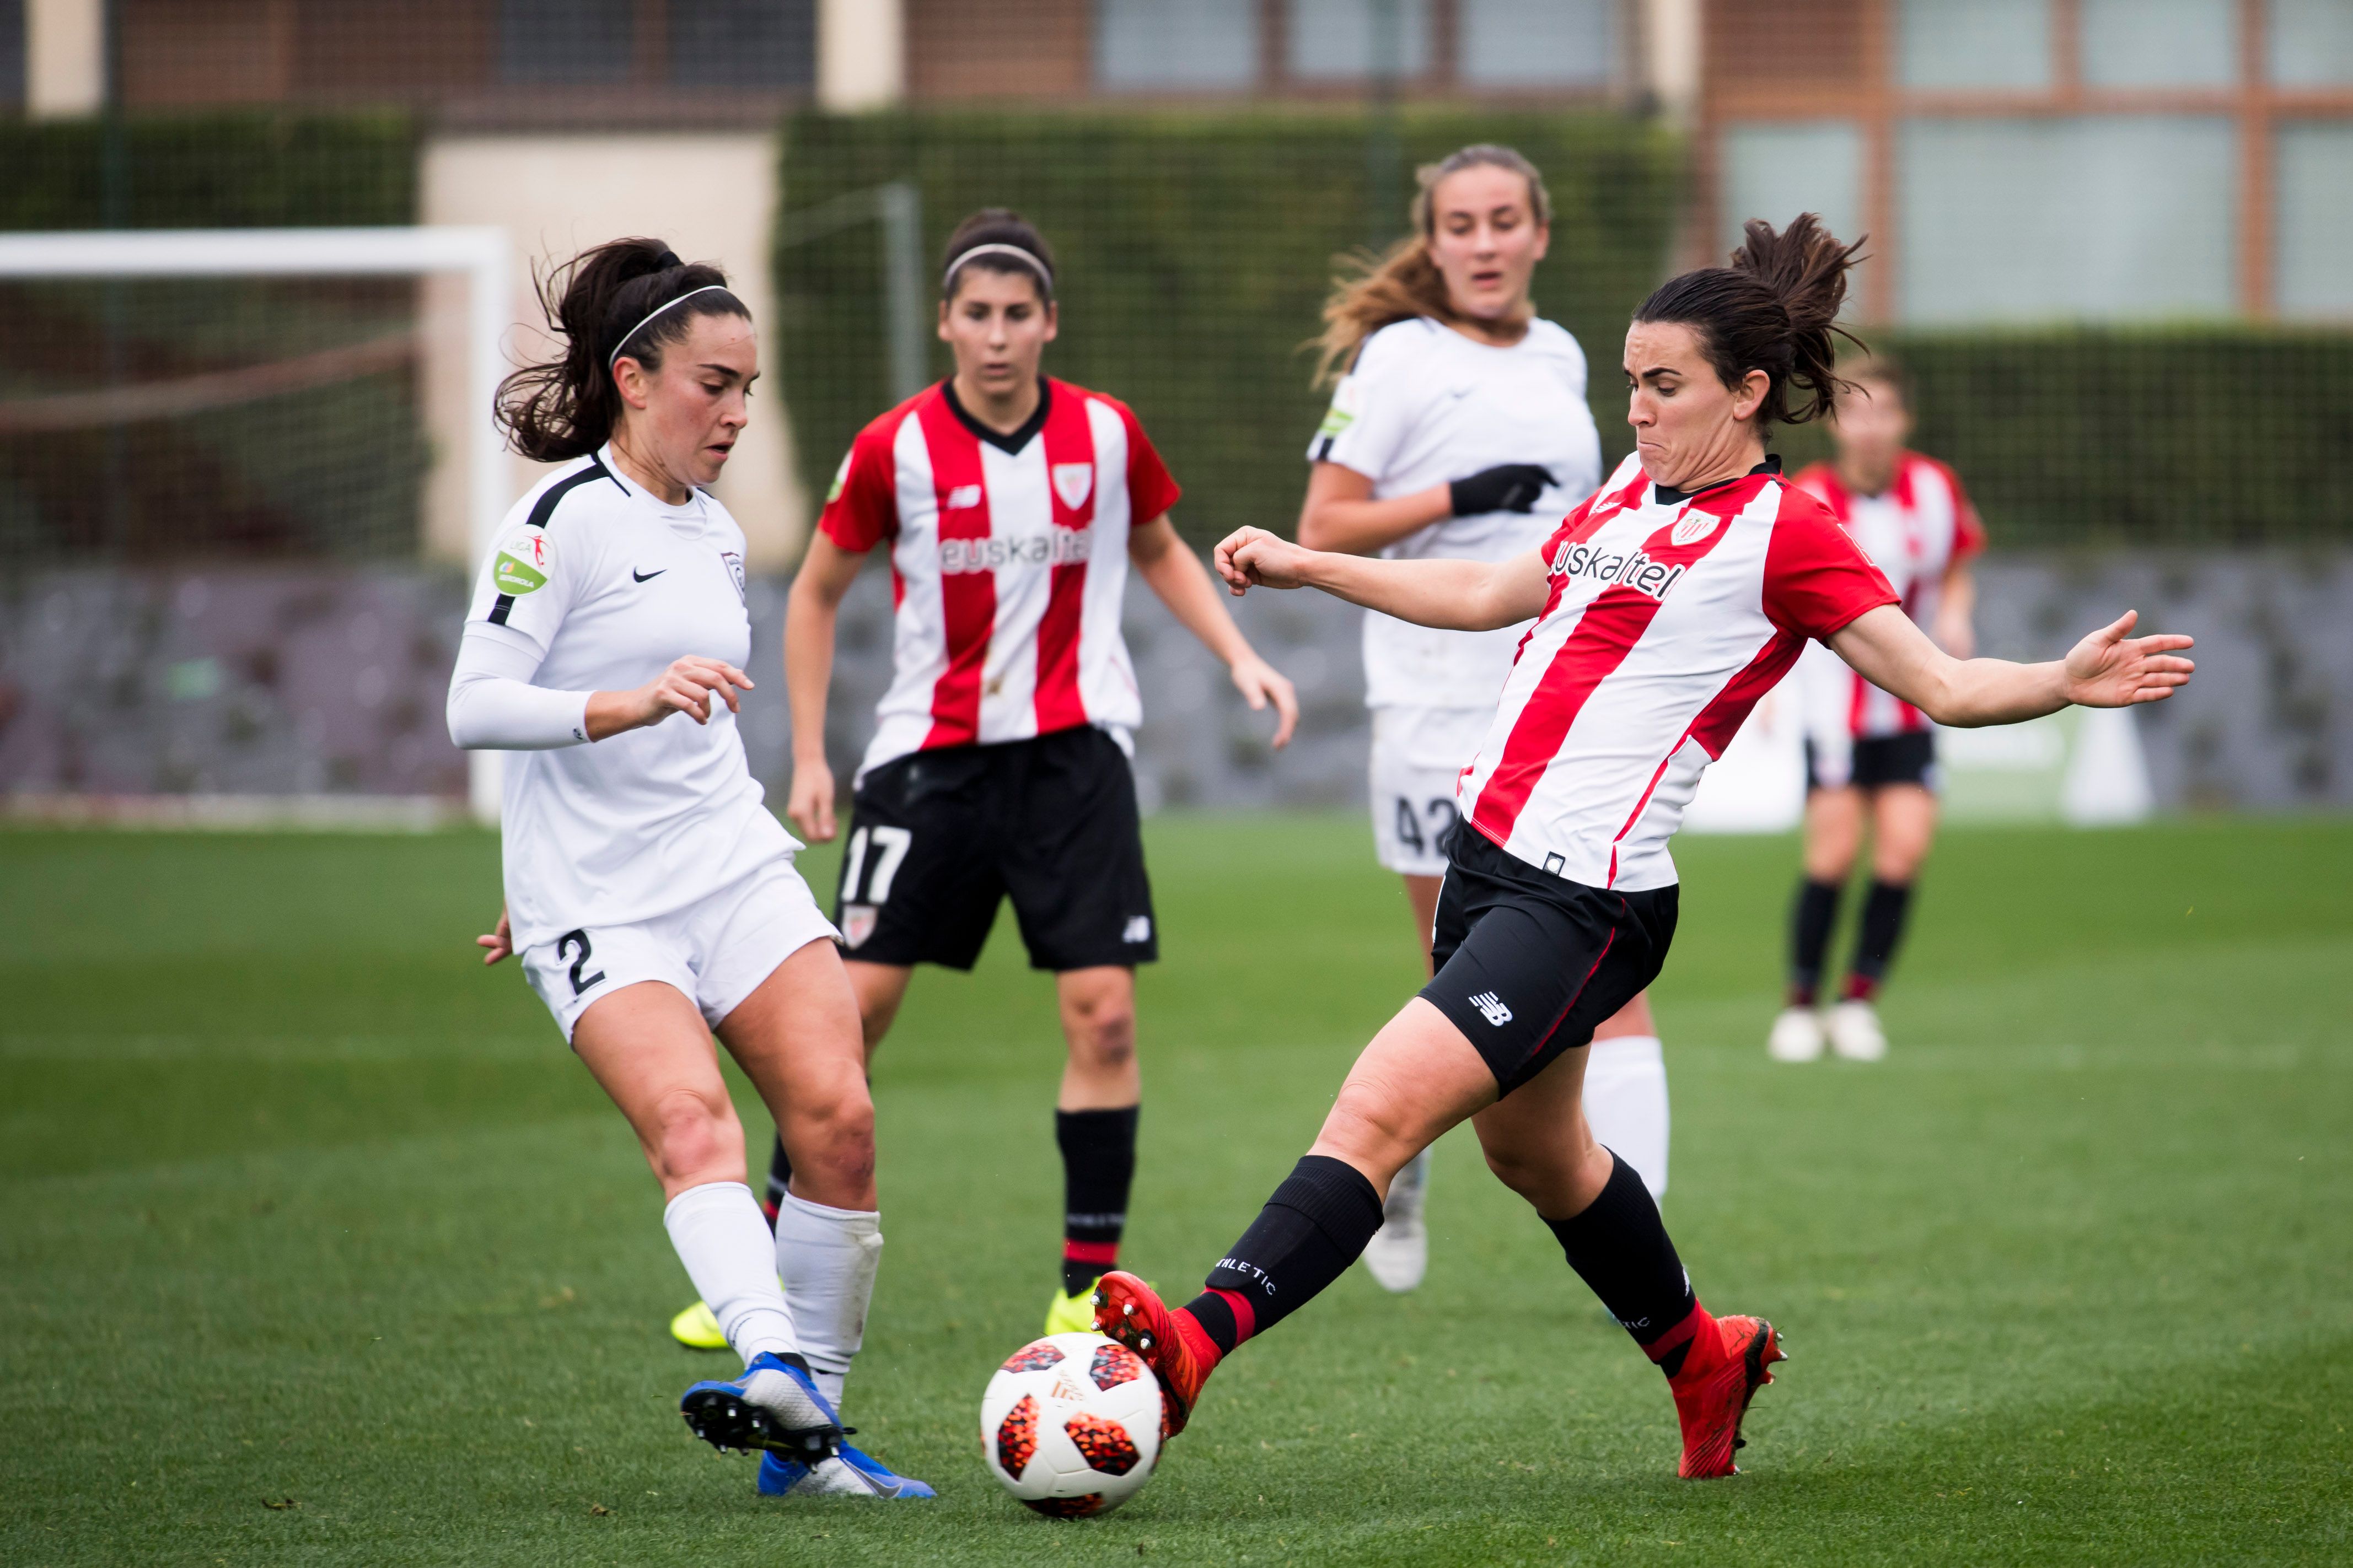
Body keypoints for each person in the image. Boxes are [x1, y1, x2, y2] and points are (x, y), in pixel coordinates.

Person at [1089, 214, 2193, 1481]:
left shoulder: (1785, 533)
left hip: (1583, 900)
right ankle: (1702, 1360)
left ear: (1747, 392)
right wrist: (1309, 564)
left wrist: (2059, 675)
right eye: (1627, 382)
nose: (1636, 409)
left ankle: (1186, 1346)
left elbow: (1936, 680)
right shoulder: (1626, 490)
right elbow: (1488, 591)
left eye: (1661, 385)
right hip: (1490, 866)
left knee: (1375, 1109)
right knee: (1534, 1154)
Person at [670, 208, 1298, 1349]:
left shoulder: (1107, 435)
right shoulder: (893, 449)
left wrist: (1241, 655)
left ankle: (1084, 1278)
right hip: (927, 767)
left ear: (1049, 323)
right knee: (844, 1017)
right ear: (946, 324)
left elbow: (1158, 546)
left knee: (1103, 1019)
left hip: (1074, 762)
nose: (998, 335)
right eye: (978, 314)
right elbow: (813, 595)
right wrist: (811, 756)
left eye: (1019, 314)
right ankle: (764, 1256)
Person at [449, 238, 930, 1499]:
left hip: (727, 859)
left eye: (747, 389)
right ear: (631, 376)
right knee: (689, 1122)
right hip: (600, 903)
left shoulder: (716, 533)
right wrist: (617, 715)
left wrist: (627, 739)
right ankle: (771, 1361)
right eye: (714, 384)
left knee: (840, 1120)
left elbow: (669, 731)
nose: (734, 411)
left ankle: (808, 1441)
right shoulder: (555, 521)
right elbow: (476, 706)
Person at [1297, 142, 1668, 1296]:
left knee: (1608, 975)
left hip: (1553, 708)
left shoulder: (1565, 356)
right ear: (1435, 240)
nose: (1485, 244)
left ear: (1538, 234)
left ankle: (1647, 1251)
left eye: (1504, 221)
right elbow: (1325, 517)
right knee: (1456, 974)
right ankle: (1397, 1162)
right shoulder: (1396, 358)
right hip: (1427, 704)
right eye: (1461, 225)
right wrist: (1462, 499)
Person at [1769, 358, 1981, 1063]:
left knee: (1903, 852)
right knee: (1830, 854)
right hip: (1834, 710)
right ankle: (1800, 1006)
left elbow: (1955, 564)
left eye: (1882, 411)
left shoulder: (1934, 486)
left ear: (1903, 421)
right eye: (1854, 411)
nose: (1868, 427)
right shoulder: (1808, 498)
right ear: (1833, 422)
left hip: (1913, 708)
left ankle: (1856, 1002)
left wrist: (1953, 617)